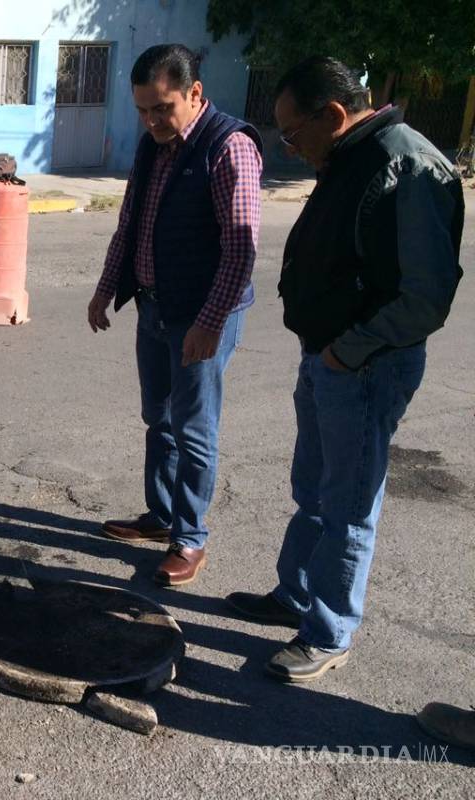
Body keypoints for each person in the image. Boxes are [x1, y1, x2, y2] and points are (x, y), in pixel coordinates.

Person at [226, 57, 463, 682]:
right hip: (327, 357)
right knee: (313, 490)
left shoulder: (407, 165)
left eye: (294, 133)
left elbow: (425, 298)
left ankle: (329, 633)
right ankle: (295, 596)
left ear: (332, 114)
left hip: (364, 365)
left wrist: (347, 350)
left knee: (350, 505)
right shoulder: (350, 154)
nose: (291, 147)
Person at [87, 44, 262, 587]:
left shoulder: (228, 147)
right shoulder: (151, 146)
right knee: (157, 419)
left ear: (194, 94)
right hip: (154, 307)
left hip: (202, 314)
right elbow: (130, 225)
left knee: (193, 428)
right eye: (142, 109)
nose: (152, 120)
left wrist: (210, 323)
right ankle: (161, 516)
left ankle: (190, 539)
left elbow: (240, 249)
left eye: (162, 108)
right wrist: (105, 290)